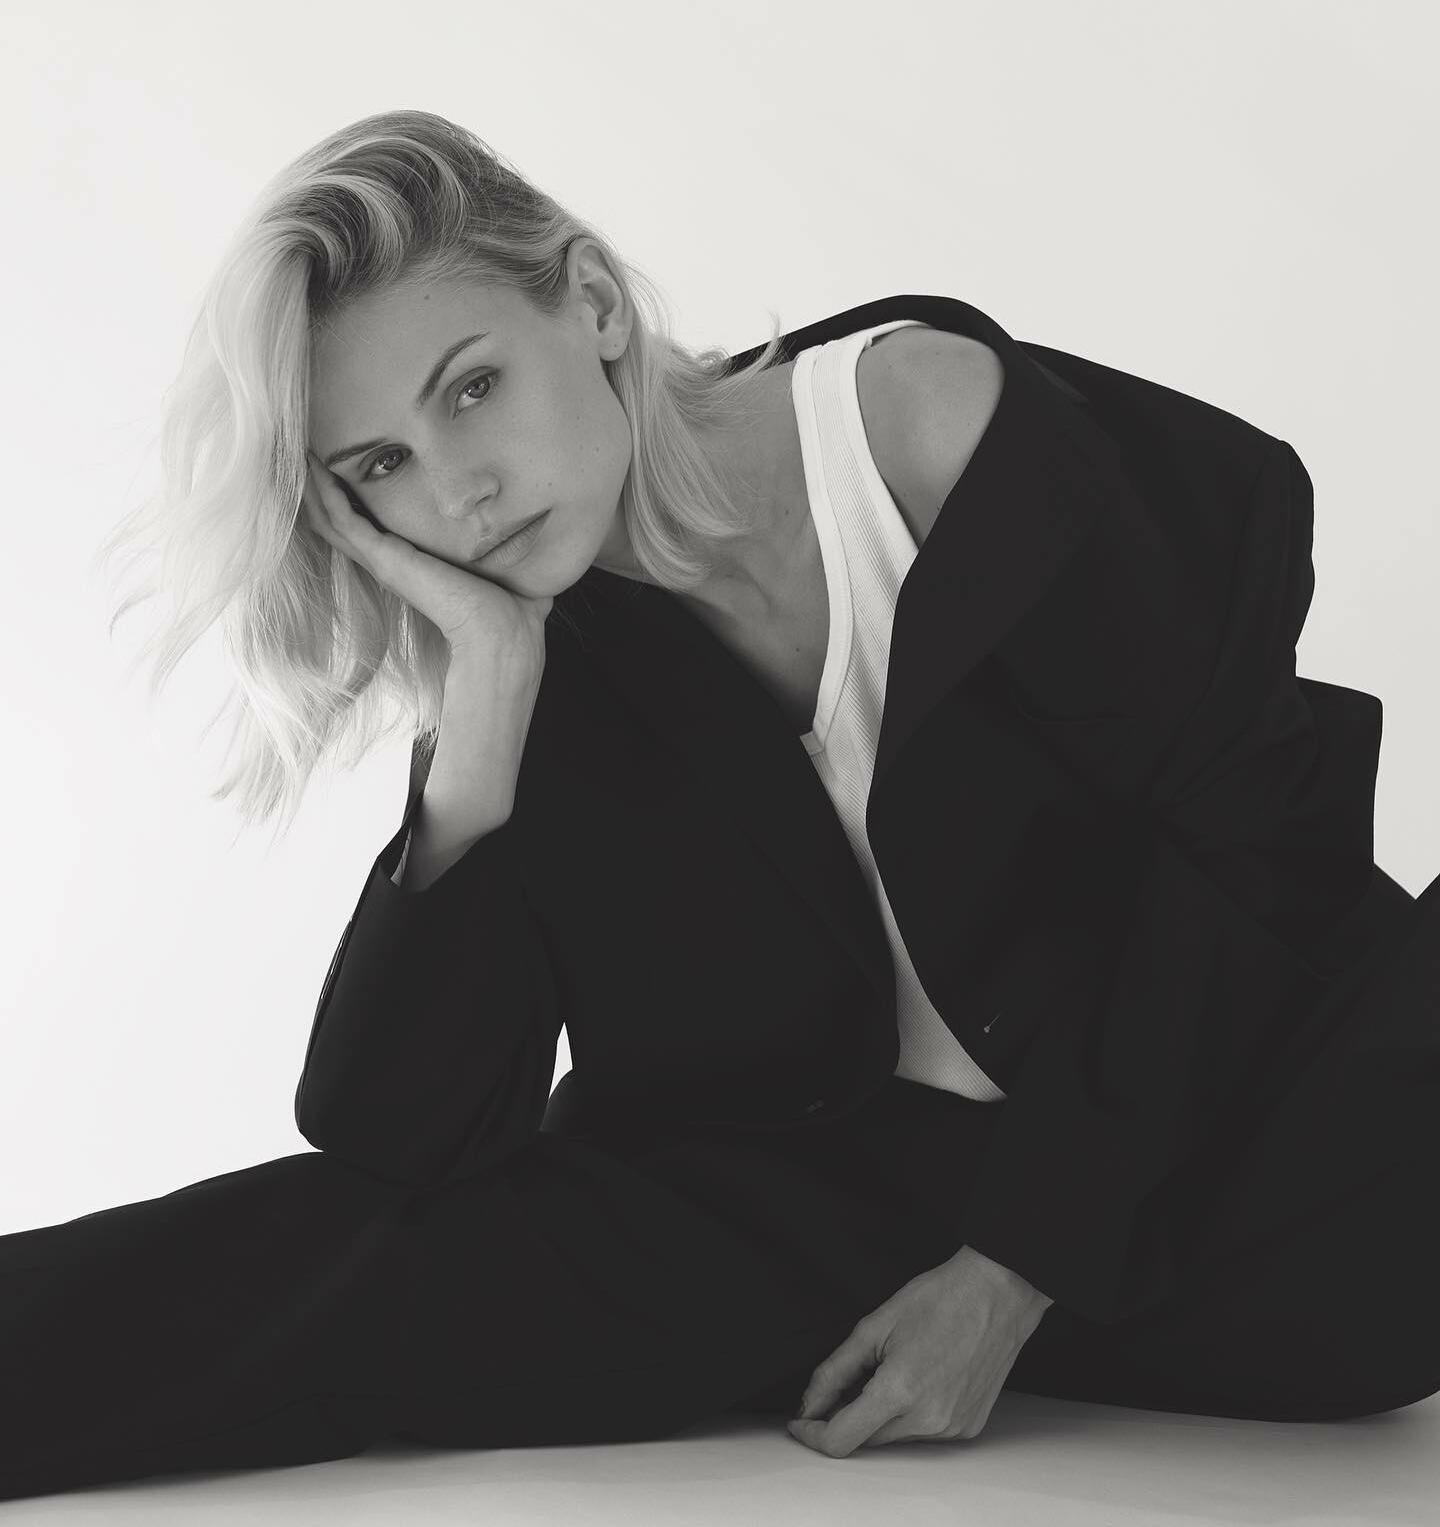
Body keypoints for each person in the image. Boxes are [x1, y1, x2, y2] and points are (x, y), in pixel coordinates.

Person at [2, 110, 1435, 1502]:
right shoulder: (536, 651)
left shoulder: (925, 431)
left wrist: (1015, 1273)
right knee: (320, 1268)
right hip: (840, 1242)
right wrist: (480, 717)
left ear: (590, 304)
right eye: (380, 465)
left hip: (1244, 1171)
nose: (461, 491)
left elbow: (1251, 859)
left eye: (471, 388)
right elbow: (401, 1153)